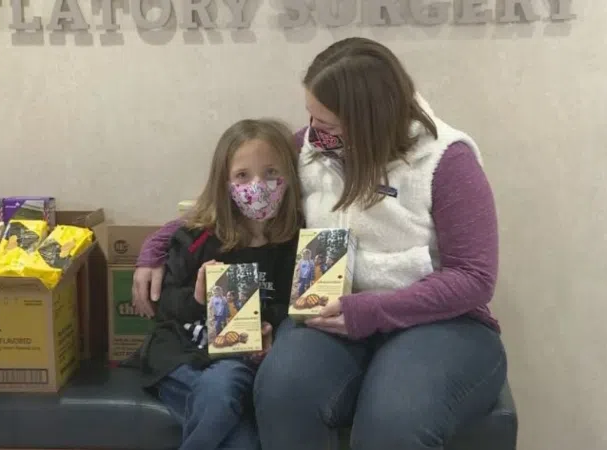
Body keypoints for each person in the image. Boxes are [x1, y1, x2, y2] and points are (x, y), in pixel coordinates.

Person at [132, 37, 506, 450]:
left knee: (391, 424)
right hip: (329, 317)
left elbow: (474, 277)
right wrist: (157, 245)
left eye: (325, 124)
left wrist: (371, 310)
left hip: (438, 324)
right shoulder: (313, 147)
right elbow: (227, 203)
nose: (312, 132)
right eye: (311, 116)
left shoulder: (447, 160)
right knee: (282, 392)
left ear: (367, 122)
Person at [125, 118, 302, 450]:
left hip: (241, 361)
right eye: (243, 175)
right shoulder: (197, 237)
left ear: (290, 177)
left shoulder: (296, 245)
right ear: (225, 182)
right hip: (182, 356)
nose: (258, 186)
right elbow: (164, 306)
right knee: (228, 405)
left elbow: (296, 306)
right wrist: (198, 299)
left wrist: (269, 326)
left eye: (271, 173)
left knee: (230, 391)